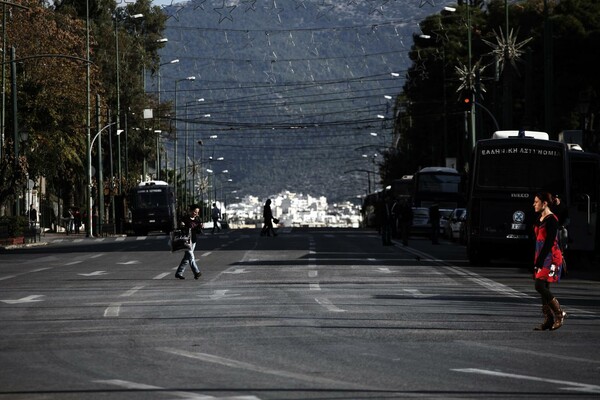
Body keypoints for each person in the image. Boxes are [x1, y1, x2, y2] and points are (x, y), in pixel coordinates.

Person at [532, 191, 566, 331]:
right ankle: (549, 319)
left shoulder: (552, 220)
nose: (534, 204)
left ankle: (559, 314)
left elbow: (549, 242)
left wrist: (540, 260)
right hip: (541, 256)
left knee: (539, 286)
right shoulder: (540, 217)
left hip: (550, 257)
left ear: (544, 203)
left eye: (536, 201)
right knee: (544, 287)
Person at [175, 204, 203, 280]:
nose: (196, 214)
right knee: (191, 256)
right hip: (185, 240)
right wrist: (182, 225)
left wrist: (200, 227)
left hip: (193, 240)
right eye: (194, 212)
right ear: (190, 211)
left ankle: (179, 273)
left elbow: (198, 231)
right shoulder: (185, 218)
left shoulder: (198, 219)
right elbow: (179, 228)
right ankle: (196, 272)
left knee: (187, 258)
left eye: (197, 212)